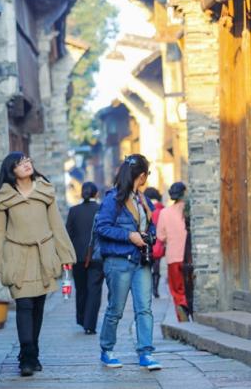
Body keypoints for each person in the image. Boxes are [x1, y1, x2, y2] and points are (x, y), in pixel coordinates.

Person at [0, 152, 76, 377]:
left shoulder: (45, 192)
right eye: (19, 163)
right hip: (16, 257)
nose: (26, 165)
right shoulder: (4, 198)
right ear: (11, 170)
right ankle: (27, 356)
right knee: (24, 306)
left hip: (43, 255)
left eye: (27, 161)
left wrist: (66, 256)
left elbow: (57, 226)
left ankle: (32, 351)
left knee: (37, 307)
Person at [95, 154, 162, 371]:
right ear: (141, 176)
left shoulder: (144, 200)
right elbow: (102, 228)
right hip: (119, 261)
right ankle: (107, 350)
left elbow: (150, 226)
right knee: (116, 308)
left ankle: (146, 352)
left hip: (141, 261)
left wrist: (148, 235)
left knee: (145, 308)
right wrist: (129, 236)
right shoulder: (113, 199)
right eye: (147, 174)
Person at [65, 182, 105, 335]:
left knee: (81, 289)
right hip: (96, 256)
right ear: (96, 194)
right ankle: (90, 324)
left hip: (78, 256)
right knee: (94, 290)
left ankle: (81, 319)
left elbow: (69, 234)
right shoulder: (100, 210)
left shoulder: (74, 211)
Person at [156, 182, 193, 322]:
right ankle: (188, 307)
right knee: (190, 286)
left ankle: (181, 308)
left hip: (173, 256)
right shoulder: (189, 209)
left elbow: (160, 236)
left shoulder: (165, 213)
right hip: (189, 255)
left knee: (177, 289)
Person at [143, 187, 164, 298]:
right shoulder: (162, 210)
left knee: (146, 267)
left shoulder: (144, 209)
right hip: (159, 242)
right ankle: (155, 289)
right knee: (157, 267)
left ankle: (147, 289)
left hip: (146, 242)